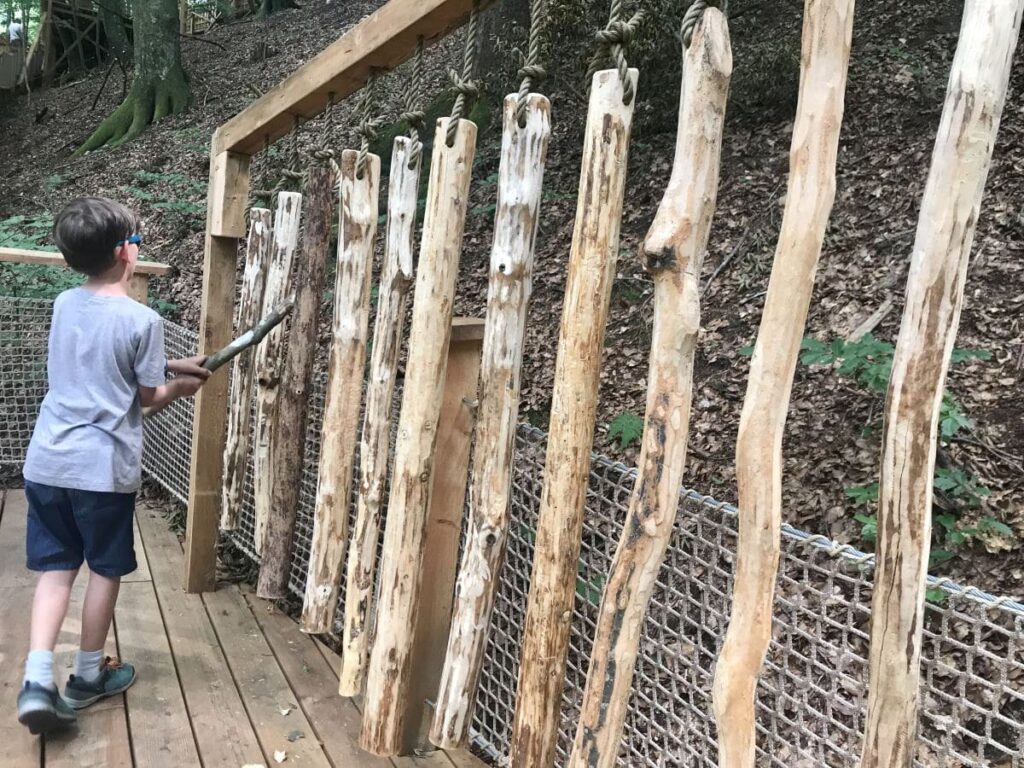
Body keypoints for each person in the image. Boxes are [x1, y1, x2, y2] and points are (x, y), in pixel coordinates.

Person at [16, 197, 210, 735]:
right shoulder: (142, 319)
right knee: (104, 569)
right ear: (127, 252)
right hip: (101, 471)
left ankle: (36, 680)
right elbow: (146, 395)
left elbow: (95, 356)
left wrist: (168, 364)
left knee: (57, 571)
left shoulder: (62, 304)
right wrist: (182, 386)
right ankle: (85, 676)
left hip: (48, 463)